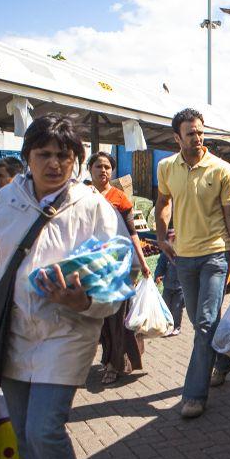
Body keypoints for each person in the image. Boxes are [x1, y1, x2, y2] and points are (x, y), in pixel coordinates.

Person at [0, 114, 126, 459]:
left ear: (74, 160)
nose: (54, 162)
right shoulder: (6, 200)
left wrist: (84, 300)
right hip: (13, 334)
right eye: (45, 154)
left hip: (66, 333)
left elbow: (118, 275)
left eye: (64, 154)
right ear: (28, 158)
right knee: (22, 434)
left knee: (43, 429)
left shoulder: (94, 207)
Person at [154, 109, 230, 419]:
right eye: (191, 133)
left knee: (203, 321)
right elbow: (163, 203)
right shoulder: (166, 167)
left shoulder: (221, 169)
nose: (198, 138)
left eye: (200, 132)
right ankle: (225, 361)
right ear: (177, 138)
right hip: (183, 257)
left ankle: (194, 394)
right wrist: (161, 238)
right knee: (207, 321)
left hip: (216, 253)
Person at [86, 152, 150, 384]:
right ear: (89, 169)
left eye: (107, 167)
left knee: (118, 317)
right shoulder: (83, 196)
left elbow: (132, 233)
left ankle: (116, 363)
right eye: (98, 166)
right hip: (93, 267)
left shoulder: (119, 198)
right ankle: (110, 359)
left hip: (120, 266)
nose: (103, 170)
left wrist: (142, 262)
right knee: (101, 319)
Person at [153, 229, 183, 336]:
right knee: (166, 307)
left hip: (180, 287)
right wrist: (158, 275)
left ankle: (177, 327)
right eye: (170, 240)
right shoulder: (164, 255)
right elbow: (160, 266)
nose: (172, 243)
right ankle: (167, 326)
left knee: (177, 308)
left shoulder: (182, 254)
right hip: (167, 286)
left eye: (174, 240)